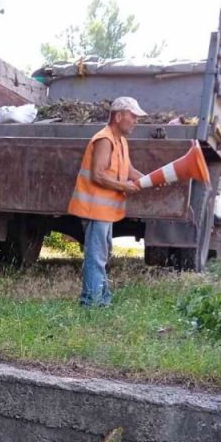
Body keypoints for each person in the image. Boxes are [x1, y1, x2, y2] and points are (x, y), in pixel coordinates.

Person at [67, 96, 147, 307]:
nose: (136, 121)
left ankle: (101, 299)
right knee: (96, 256)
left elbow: (128, 170)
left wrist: (149, 180)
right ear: (118, 116)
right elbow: (98, 175)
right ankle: (91, 303)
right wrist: (126, 187)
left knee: (101, 254)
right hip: (95, 210)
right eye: (133, 116)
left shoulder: (120, 140)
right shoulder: (104, 139)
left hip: (105, 211)